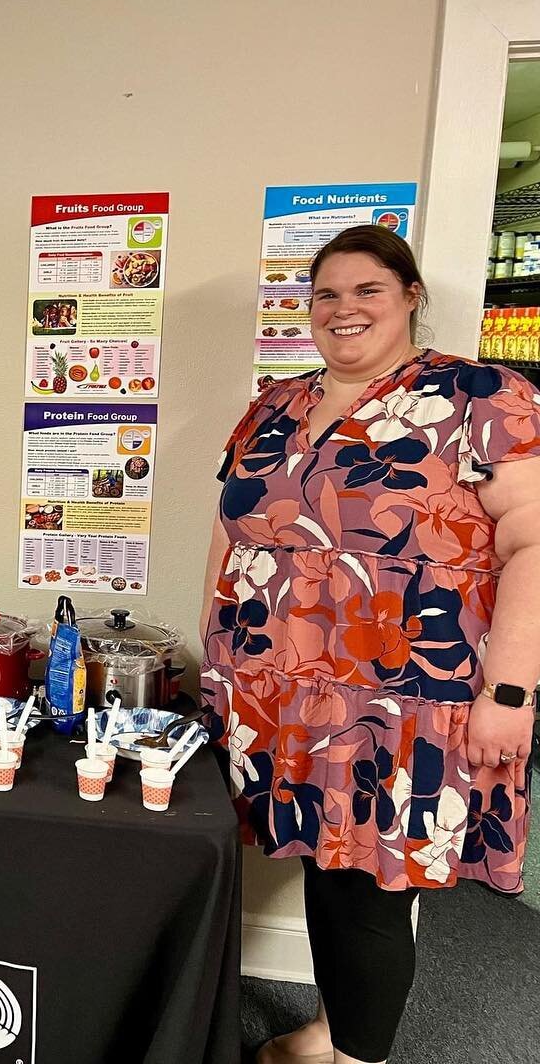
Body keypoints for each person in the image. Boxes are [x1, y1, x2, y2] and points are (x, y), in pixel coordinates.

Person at [201, 225, 540, 1064]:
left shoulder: (480, 396)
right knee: (329, 864)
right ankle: (331, 1032)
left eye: (366, 291)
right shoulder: (274, 403)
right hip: (276, 686)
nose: (342, 310)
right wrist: (214, 654)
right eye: (326, 295)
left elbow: (533, 541)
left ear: (411, 296)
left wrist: (511, 690)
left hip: (405, 695)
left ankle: (355, 1057)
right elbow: (230, 526)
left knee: (371, 886)